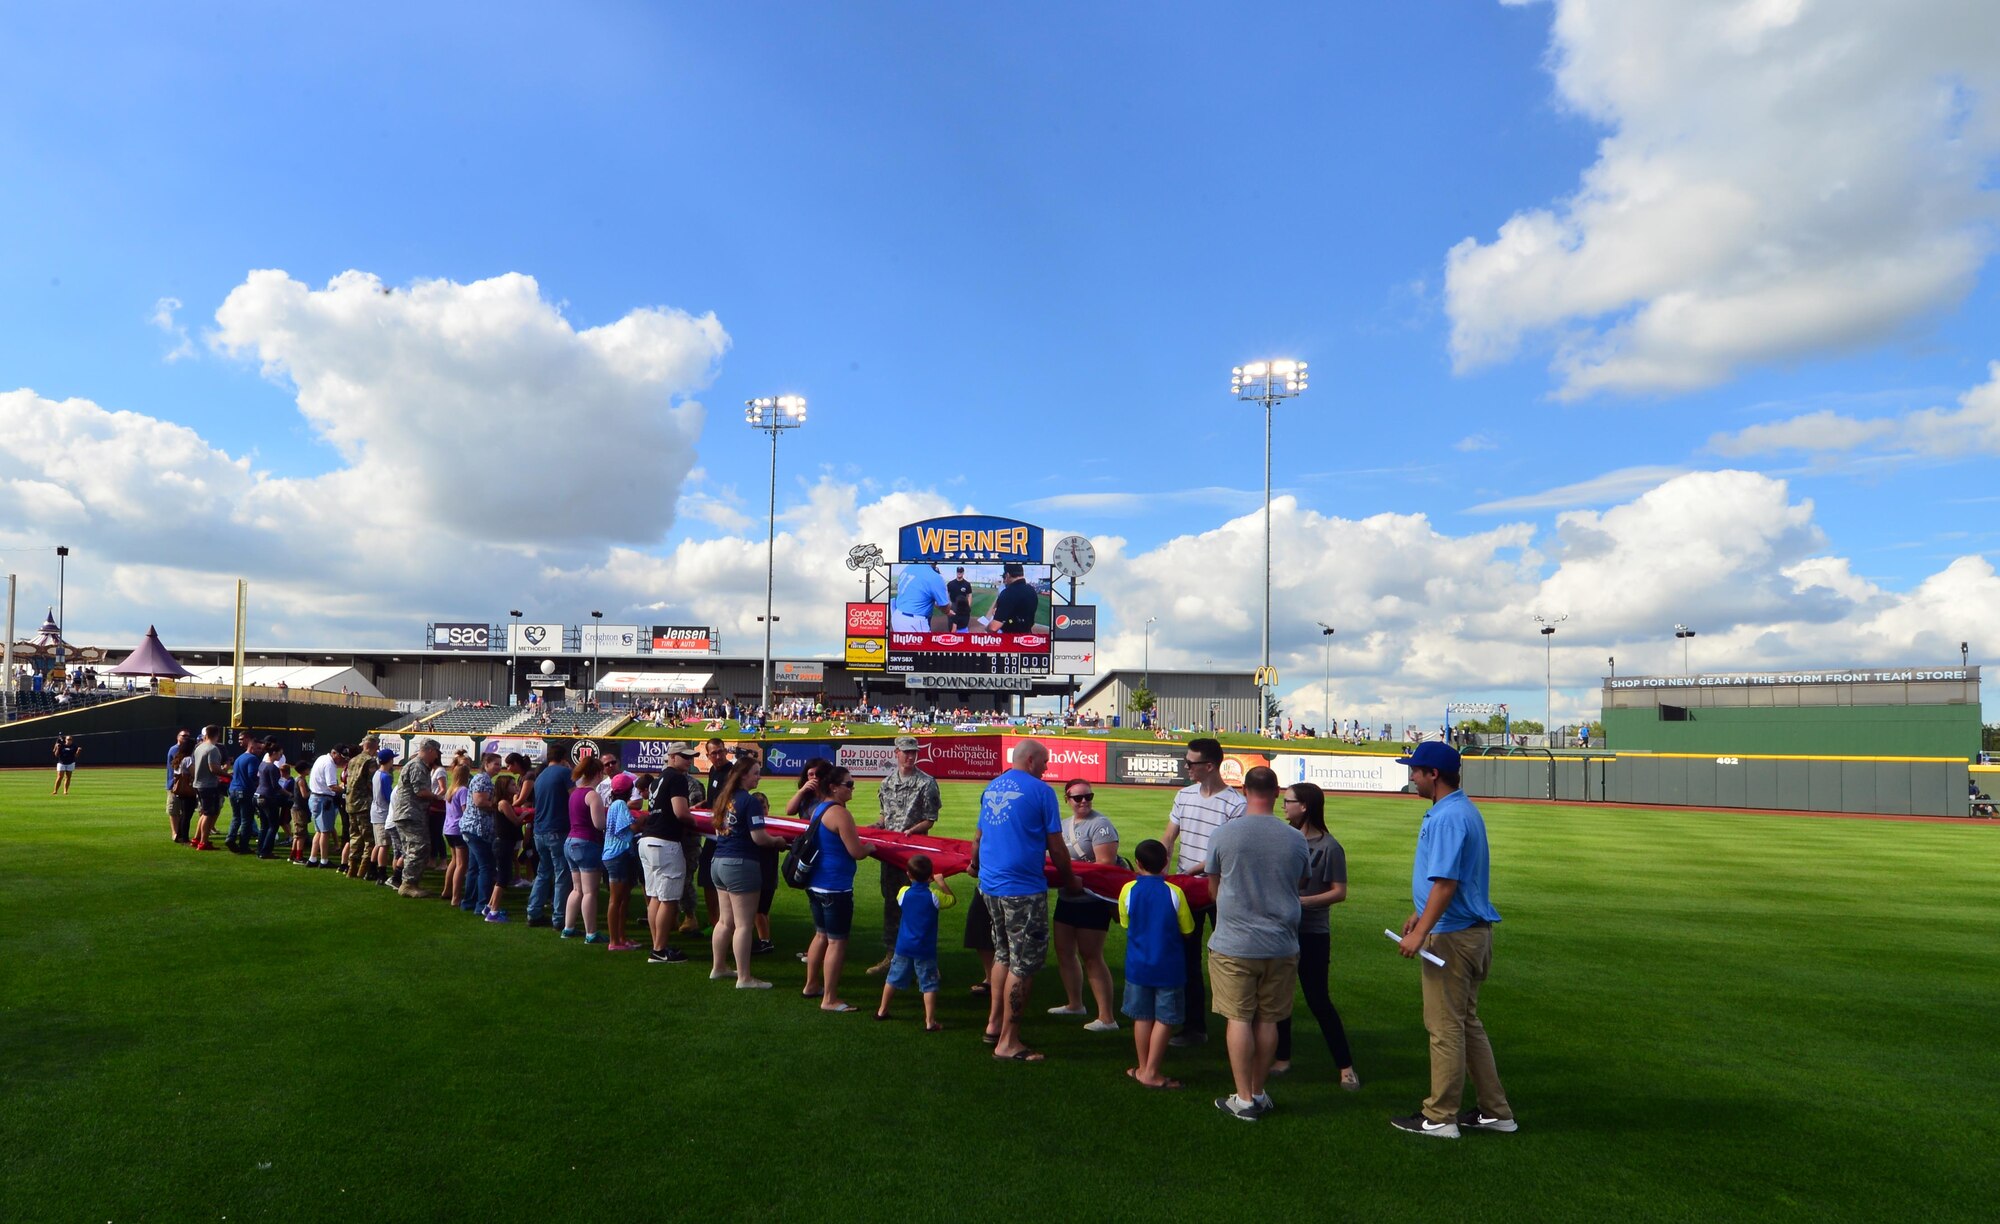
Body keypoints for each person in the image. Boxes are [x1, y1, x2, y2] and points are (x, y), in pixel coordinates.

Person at [1391, 741, 1515, 1139]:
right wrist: (1420, 912)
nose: (1411, 777)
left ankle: (1440, 1117)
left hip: (1453, 937)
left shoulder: (1447, 817)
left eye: (1415, 770)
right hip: (1472, 932)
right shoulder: (1463, 809)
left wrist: (1422, 932)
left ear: (1434, 775)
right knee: (1466, 1024)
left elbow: (1445, 883)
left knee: (1444, 1027)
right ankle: (1497, 1112)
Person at [1203, 766, 1308, 1121]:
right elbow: (1301, 881)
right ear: (1277, 793)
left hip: (1235, 940)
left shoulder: (1224, 833)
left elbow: (1213, 887)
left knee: (1239, 1018)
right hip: (1280, 941)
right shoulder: (1295, 838)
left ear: (1245, 791)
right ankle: (1258, 1091)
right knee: (1268, 1020)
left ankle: (1244, 1097)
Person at [970, 739, 1075, 1062]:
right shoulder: (1042, 792)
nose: (1046, 768)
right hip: (1022, 888)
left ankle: (994, 1025)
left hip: (990, 885)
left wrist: (975, 865)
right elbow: (1056, 847)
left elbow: (979, 837)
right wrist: (1071, 879)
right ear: (1030, 760)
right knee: (1024, 962)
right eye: (1044, 762)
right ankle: (1008, 1041)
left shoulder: (992, 787)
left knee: (1003, 954)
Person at [1161, 737, 1245, 1046]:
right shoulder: (1184, 795)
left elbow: (1232, 854)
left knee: (1228, 960)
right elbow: (1170, 836)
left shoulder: (1236, 804)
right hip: (1187, 890)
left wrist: (1199, 870)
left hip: (1222, 891)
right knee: (1187, 960)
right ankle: (1194, 1027)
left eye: (1190, 763)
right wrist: (1161, 869)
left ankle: (1237, 1027)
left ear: (1209, 766)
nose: (1186, 768)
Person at [1273, 782, 1358, 1089]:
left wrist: (1303, 902)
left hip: (1312, 932)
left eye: (1288, 801)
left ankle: (1345, 1067)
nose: (1283, 806)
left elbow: (1339, 892)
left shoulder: (1329, 847)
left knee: (1318, 1000)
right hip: (1282, 930)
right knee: (1280, 998)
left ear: (1304, 806)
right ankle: (1281, 1058)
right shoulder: (1284, 840)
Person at [1118, 839, 1196, 1090]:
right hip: (1169, 967)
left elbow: (1126, 923)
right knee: (1165, 1018)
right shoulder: (1175, 892)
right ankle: (1151, 1071)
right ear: (1165, 864)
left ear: (1138, 864)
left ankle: (1144, 1068)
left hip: (1138, 965)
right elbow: (1188, 930)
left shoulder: (1127, 890)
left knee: (1142, 1016)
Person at [865, 735, 941, 977]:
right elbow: (884, 816)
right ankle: (892, 956)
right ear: (896, 753)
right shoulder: (886, 783)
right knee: (892, 903)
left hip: (915, 856)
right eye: (906, 752)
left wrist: (912, 830)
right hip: (891, 855)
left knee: (920, 908)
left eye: (914, 752)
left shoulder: (927, 783)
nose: (910, 756)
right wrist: (874, 828)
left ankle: (928, 961)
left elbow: (930, 818)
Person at [1048, 778, 1120, 1031]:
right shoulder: (1063, 824)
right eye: (1077, 797)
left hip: (1092, 900)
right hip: (1067, 898)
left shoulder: (1101, 825)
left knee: (1092, 957)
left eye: (1088, 796)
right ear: (1067, 799)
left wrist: (1073, 874)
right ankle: (1075, 1004)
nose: (1083, 801)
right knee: (1064, 951)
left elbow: (1106, 866)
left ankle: (1107, 1017)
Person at [801, 766, 873, 1013]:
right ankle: (829, 998)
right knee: (837, 942)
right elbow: (856, 851)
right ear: (833, 787)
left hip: (817, 883)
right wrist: (871, 847)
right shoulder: (840, 814)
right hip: (835, 886)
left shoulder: (818, 808)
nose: (852, 788)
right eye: (848, 784)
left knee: (820, 935)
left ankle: (811, 985)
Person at [707, 755, 784, 988]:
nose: (758, 777)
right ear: (743, 775)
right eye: (755, 773)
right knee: (743, 924)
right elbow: (758, 837)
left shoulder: (724, 798)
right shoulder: (749, 801)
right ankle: (744, 977)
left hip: (718, 861)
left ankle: (718, 966)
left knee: (724, 921)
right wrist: (777, 841)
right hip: (740, 863)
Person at [874, 853, 955, 1029]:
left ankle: (882, 1010)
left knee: (892, 979)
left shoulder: (903, 893)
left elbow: (904, 895)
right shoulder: (934, 896)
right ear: (930, 876)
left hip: (903, 946)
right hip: (925, 949)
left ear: (908, 875)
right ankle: (929, 1021)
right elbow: (951, 900)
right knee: (929, 984)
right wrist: (941, 882)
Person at [636, 743, 696, 962]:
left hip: (648, 840)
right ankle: (660, 950)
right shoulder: (677, 779)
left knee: (654, 897)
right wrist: (696, 821)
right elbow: (681, 812)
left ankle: (657, 946)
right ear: (671, 757)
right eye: (684, 756)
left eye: (691, 757)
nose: (689, 760)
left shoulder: (657, 780)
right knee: (668, 899)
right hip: (665, 841)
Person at [527, 743, 575, 929]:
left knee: (543, 873)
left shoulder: (541, 776)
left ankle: (534, 912)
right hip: (557, 829)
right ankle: (559, 918)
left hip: (540, 830)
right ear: (563, 758)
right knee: (562, 875)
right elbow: (574, 797)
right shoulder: (563, 773)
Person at [563, 753, 608, 943]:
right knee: (590, 891)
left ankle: (569, 927)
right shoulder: (593, 795)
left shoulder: (575, 793)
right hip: (587, 843)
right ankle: (591, 932)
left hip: (571, 841)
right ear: (597, 773)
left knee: (577, 889)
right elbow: (599, 824)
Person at [389, 739, 441, 898]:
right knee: (418, 847)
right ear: (431, 750)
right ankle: (408, 884)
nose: (437, 757)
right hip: (410, 813)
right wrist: (438, 797)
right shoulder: (417, 766)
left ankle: (410, 883)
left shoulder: (418, 765)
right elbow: (420, 792)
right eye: (437, 753)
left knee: (415, 848)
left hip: (411, 813)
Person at [601, 772, 641, 950]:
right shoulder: (620, 805)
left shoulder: (615, 804)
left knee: (623, 898)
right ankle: (614, 941)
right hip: (617, 855)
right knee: (616, 900)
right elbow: (630, 828)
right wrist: (646, 820)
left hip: (617, 854)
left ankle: (621, 937)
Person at [188, 725, 232, 852]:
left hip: (198, 784)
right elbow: (213, 768)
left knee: (204, 812)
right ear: (217, 735)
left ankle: (197, 839)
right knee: (209, 813)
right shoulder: (213, 749)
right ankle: (203, 842)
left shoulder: (198, 747)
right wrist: (228, 775)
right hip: (208, 785)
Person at [305, 744, 345, 867]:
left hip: (315, 798)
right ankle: (324, 860)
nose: (341, 760)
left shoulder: (321, 758)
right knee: (325, 832)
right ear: (334, 753)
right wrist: (344, 789)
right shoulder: (329, 764)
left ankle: (312, 858)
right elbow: (332, 786)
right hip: (324, 799)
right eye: (341, 757)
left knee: (319, 830)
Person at [225, 732, 263, 854]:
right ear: (251, 747)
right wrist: (260, 783)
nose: (260, 751)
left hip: (233, 790)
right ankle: (243, 846)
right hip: (245, 791)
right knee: (247, 819)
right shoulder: (253, 759)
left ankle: (230, 838)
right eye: (258, 748)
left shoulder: (239, 758)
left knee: (236, 817)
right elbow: (252, 775)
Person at [440, 762, 471, 907]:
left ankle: (447, 890)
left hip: (448, 829)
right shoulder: (463, 790)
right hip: (458, 830)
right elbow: (465, 810)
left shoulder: (450, 790)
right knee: (461, 864)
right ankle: (456, 897)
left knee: (453, 861)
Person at [981, 562, 1042, 633]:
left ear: (1007, 575)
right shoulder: (1031, 590)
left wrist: (987, 628)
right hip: (1027, 635)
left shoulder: (1008, 593)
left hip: (1010, 639)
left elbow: (993, 628)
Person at [890, 561, 951, 632]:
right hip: (913, 622)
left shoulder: (910, 566)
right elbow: (945, 607)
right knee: (926, 643)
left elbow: (920, 596)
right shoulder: (934, 577)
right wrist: (948, 611)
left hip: (896, 616)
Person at [165, 729, 194, 842]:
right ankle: (176, 833)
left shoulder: (187, 753)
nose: (186, 737)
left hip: (179, 784)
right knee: (175, 810)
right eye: (184, 736)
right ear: (178, 737)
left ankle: (179, 834)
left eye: (188, 736)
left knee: (183, 812)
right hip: (176, 785)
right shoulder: (176, 750)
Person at [946, 566, 974, 630]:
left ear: (963, 573)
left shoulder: (967, 584)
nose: (959, 573)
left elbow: (969, 595)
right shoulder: (950, 583)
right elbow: (947, 594)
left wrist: (968, 605)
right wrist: (949, 604)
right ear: (956, 572)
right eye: (958, 572)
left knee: (962, 624)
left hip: (963, 606)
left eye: (961, 572)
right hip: (953, 605)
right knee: (951, 623)